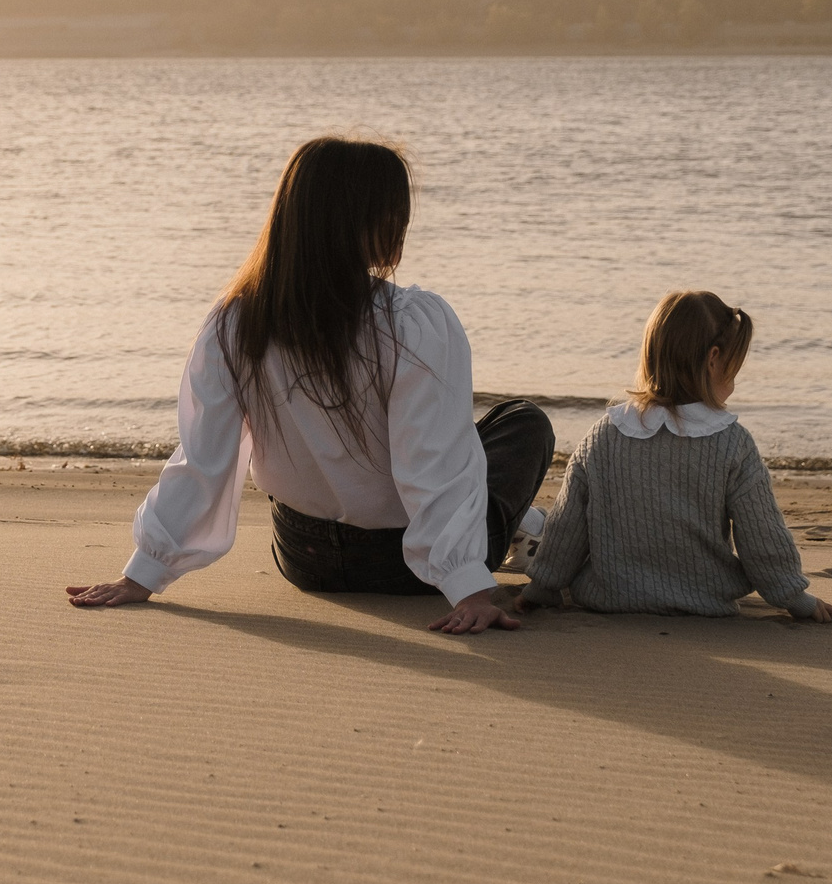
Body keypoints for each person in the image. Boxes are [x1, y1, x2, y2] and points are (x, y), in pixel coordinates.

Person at [66, 137, 555, 635]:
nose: (403, 227)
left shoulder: (235, 322)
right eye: (395, 214)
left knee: (470, 439)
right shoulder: (412, 324)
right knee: (521, 423)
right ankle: (526, 531)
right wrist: (469, 588)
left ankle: (525, 528)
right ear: (368, 223)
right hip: (405, 570)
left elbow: (202, 460)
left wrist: (143, 573)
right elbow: (433, 463)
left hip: (303, 560)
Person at [516, 290, 832, 622]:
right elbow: (762, 536)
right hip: (705, 599)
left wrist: (544, 586)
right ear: (713, 359)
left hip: (612, 596)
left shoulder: (604, 435)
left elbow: (567, 526)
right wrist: (794, 598)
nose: (735, 381)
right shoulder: (732, 443)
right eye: (734, 368)